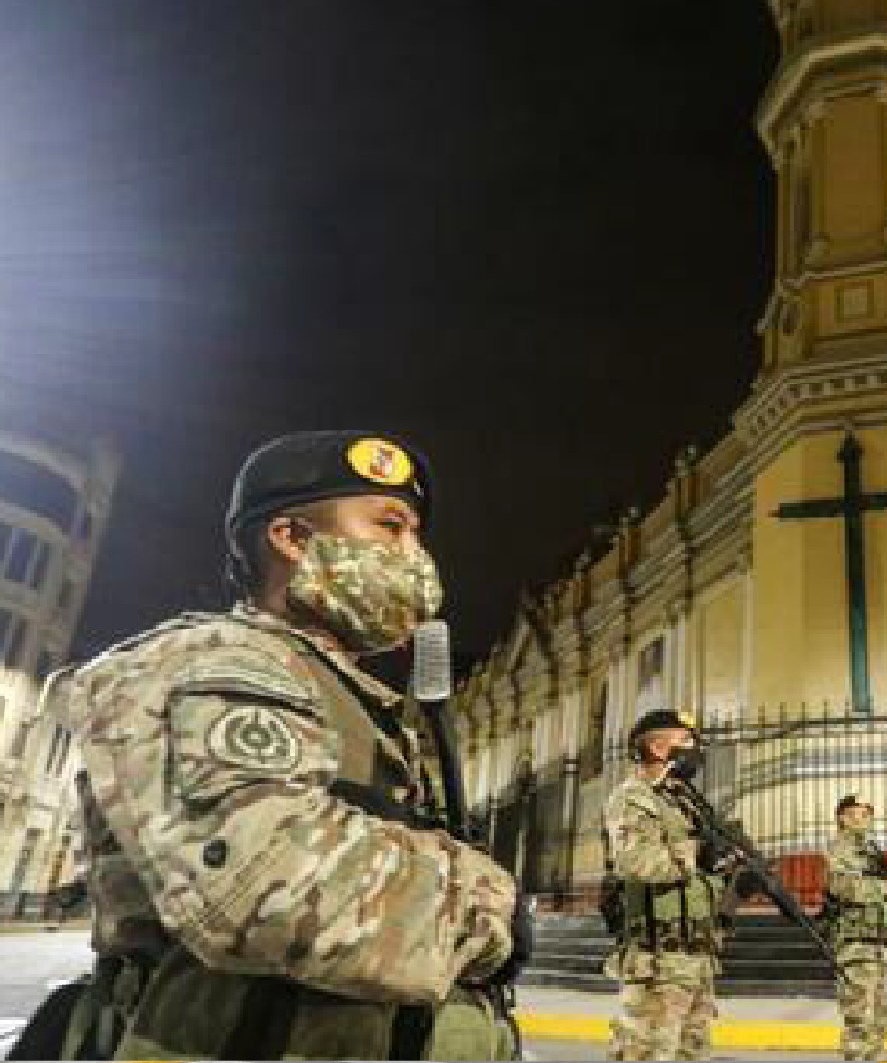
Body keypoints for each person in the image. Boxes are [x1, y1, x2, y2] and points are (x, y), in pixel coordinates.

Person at [26, 431, 524, 1060]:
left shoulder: (348, 699)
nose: (415, 555)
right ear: (291, 538)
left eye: (417, 534)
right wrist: (487, 906)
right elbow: (267, 888)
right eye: (390, 527)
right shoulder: (219, 662)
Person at [603, 709, 738, 1060]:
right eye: (687, 741)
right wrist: (698, 853)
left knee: (692, 1053)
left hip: (696, 955)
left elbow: (701, 873)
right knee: (648, 1053)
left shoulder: (684, 802)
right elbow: (636, 863)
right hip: (658, 960)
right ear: (659, 748)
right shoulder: (632, 797)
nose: (696, 750)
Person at [824, 794, 887, 1061]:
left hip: (879, 943)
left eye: (867, 814)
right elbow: (842, 887)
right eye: (855, 813)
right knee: (858, 1022)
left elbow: (880, 892)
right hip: (856, 945)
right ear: (842, 818)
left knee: (880, 1023)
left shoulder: (871, 852)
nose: (862, 819)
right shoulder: (839, 849)